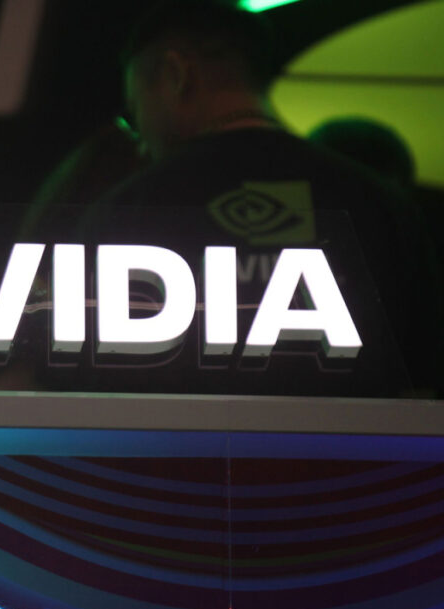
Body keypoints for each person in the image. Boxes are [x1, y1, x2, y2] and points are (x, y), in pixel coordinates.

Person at [87, 0, 441, 395]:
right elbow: (424, 386)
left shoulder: (128, 211)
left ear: (177, 74)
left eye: (136, 109)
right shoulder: (379, 205)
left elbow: (87, 388)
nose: (140, 140)